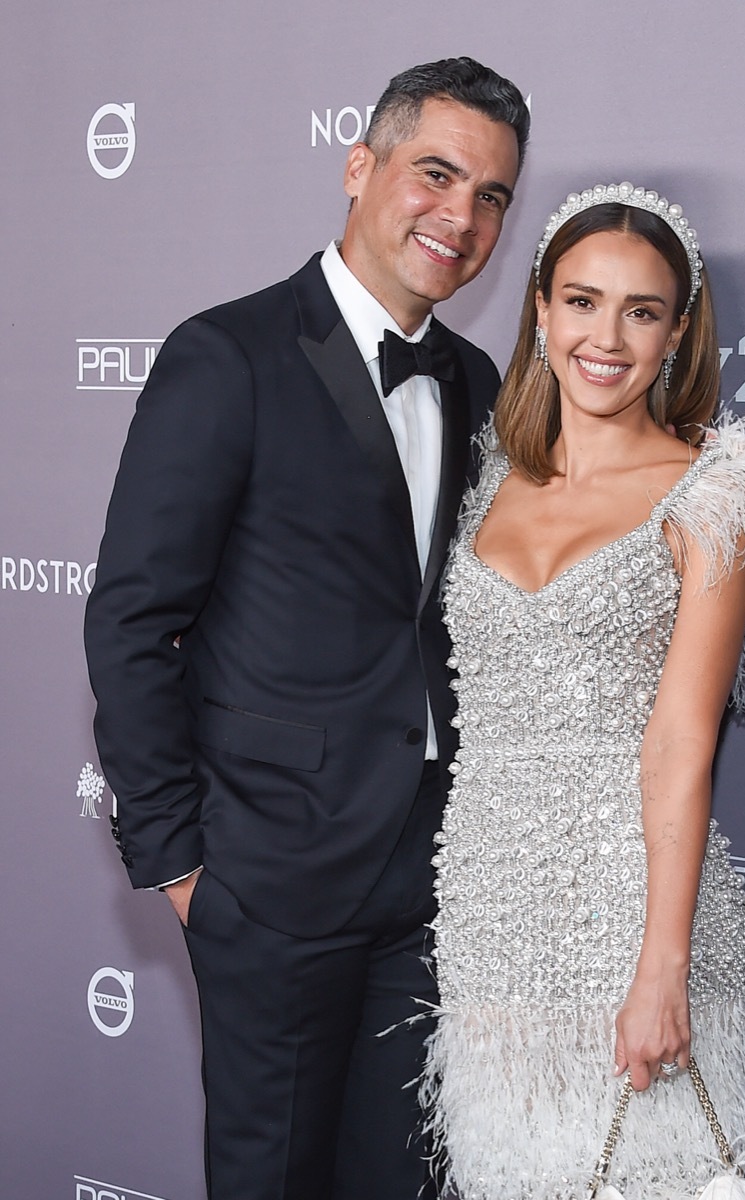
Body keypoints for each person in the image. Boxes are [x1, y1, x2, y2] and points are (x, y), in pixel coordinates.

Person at [83, 57, 529, 1200]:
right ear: (360, 164)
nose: (461, 216)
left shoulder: (477, 380)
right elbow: (133, 620)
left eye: (492, 197)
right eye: (437, 173)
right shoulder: (227, 355)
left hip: (428, 885)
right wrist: (180, 862)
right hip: (268, 878)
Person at [420, 183, 745, 1198]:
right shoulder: (486, 477)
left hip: (640, 914)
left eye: (642, 311)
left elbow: (682, 742)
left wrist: (661, 970)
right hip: (494, 917)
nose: (607, 336)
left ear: (679, 331)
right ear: (540, 311)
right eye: (582, 301)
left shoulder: (709, 494)